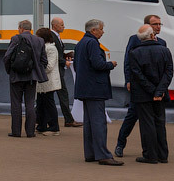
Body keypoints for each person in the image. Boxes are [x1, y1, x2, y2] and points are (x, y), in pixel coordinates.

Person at [73, 19, 121, 165]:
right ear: (93, 30)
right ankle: (103, 155)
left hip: (85, 88)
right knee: (99, 122)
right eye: (101, 29)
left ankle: (91, 153)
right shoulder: (93, 43)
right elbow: (98, 64)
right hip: (95, 88)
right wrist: (110, 64)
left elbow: (76, 65)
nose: (102, 31)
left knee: (89, 123)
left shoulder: (80, 43)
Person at [115, 14, 162, 157]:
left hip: (155, 88)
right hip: (138, 87)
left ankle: (155, 150)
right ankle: (120, 144)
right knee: (132, 115)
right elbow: (128, 61)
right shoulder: (135, 39)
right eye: (155, 24)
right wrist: (128, 80)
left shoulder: (162, 42)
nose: (158, 27)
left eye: (160, 24)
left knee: (155, 119)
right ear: (147, 25)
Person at [127, 24, 173, 163]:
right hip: (161, 94)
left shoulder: (134, 53)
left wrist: (152, 90)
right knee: (160, 122)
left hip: (143, 94)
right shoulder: (165, 50)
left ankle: (150, 155)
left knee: (147, 124)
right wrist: (159, 91)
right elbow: (168, 72)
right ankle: (162, 154)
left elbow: (137, 75)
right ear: (152, 35)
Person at [3, 20, 48, 138]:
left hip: (16, 76)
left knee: (16, 104)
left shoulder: (15, 39)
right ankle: (30, 132)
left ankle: (16, 132)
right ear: (30, 29)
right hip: (32, 78)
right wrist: (37, 70)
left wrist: (10, 71)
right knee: (30, 103)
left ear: (21, 28)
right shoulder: (40, 40)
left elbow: (7, 57)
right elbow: (44, 60)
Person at [49, 17, 80, 127]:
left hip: (57, 71)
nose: (64, 26)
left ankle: (35, 116)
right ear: (55, 25)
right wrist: (64, 62)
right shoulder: (52, 37)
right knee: (62, 95)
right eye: (62, 25)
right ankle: (69, 120)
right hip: (56, 71)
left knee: (50, 95)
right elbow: (53, 54)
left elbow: (57, 53)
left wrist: (66, 56)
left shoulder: (56, 36)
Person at [34, 28, 61, 136]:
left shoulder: (51, 48)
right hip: (42, 81)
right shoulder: (44, 47)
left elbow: (49, 66)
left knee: (49, 104)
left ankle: (54, 127)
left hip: (49, 81)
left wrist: (36, 69)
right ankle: (41, 125)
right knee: (41, 104)